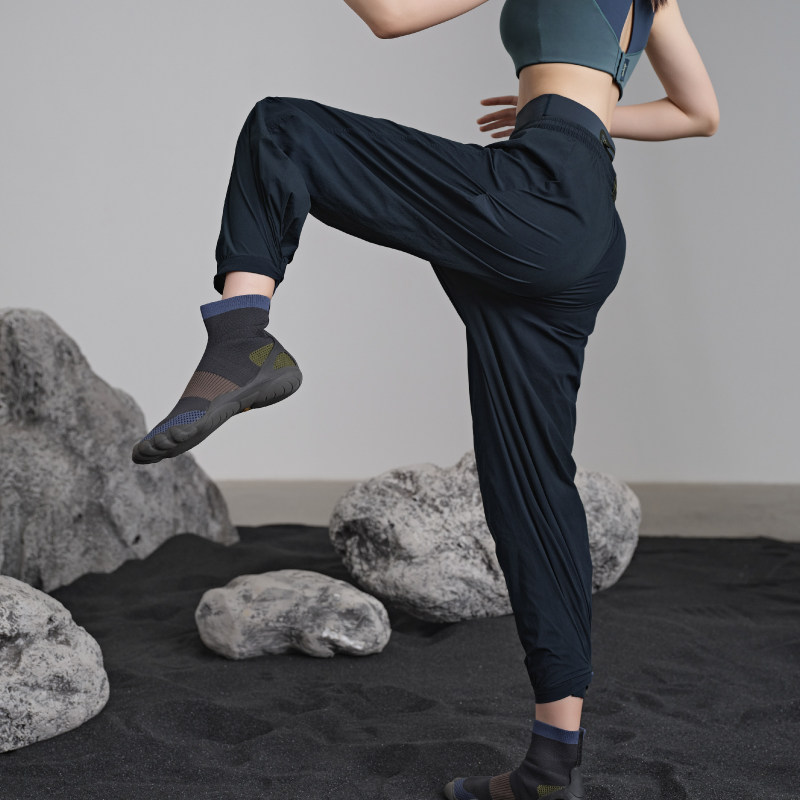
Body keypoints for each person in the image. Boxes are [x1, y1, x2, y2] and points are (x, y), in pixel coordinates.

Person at [131, 0, 719, 797]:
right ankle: (552, 764)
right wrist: (592, 115)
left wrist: (549, 120)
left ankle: (241, 338)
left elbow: (390, 15)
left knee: (283, 130)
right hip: (588, 223)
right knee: (533, 489)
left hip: (534, 195)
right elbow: (699, 113)